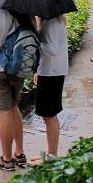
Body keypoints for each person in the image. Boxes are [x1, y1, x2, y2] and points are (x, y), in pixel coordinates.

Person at [0, 7, 36, 170]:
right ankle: (19, 153)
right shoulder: (28, 13)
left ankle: (6, 159)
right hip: (18, 70)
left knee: (3, 112)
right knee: (14, 107)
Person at [30, 15, 69, 164]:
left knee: (49, 115)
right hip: (51, 71)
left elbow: (51, 49)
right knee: (49, 115)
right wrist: (38, 71)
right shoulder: (55, 20)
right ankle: (51, 154)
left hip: (52, 73)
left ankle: (52, 156)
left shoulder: (50, 21)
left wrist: (35, 40)